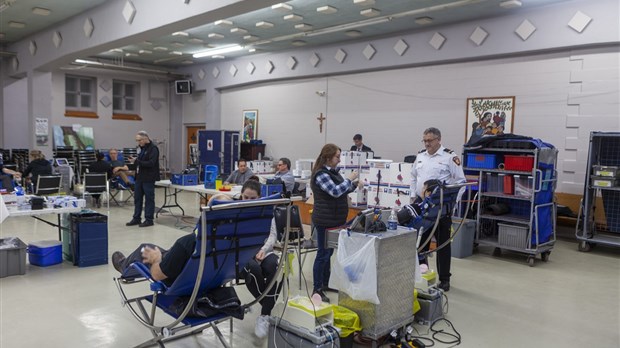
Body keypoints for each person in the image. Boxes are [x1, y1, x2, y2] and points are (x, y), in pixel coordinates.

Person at [410, 127, 466, 292]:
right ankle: (423, 275)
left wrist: (452, 203)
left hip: (442, 207)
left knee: (443, 244)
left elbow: (461, 181)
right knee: (421, 243)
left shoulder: (449, 157)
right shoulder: (420, 156)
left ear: (438, 140)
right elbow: (413, 176)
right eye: (425, 140)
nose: (427, 144)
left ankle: (444, 279)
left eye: (430, 140)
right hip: (422, 205)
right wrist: (414, 196)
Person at [311, 144, 358, 302]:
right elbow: (335, 191)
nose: (339, 160)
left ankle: (326, 283)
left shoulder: (332, 173)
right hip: (325, 220)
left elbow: (341, 190)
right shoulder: (321, 175)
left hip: (335, 220)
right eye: (337, 157)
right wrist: (349, 179)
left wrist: (355, 185)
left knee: (329, 253)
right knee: (323, 255)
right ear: (328, 157)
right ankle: (317, 289)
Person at [126, 131, 160, 227]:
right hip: (139, 177)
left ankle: (149, 219)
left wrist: (137, 161)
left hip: (148, 177)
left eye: (139, 140)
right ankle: (136, 218)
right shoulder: (141, 148)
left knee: (149, 199)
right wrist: (134, 161)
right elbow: (140, 161)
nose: (138, 142)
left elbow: (151, 163)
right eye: (137, 140)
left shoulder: (153, 149)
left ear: (146, 138)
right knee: (137, 199)